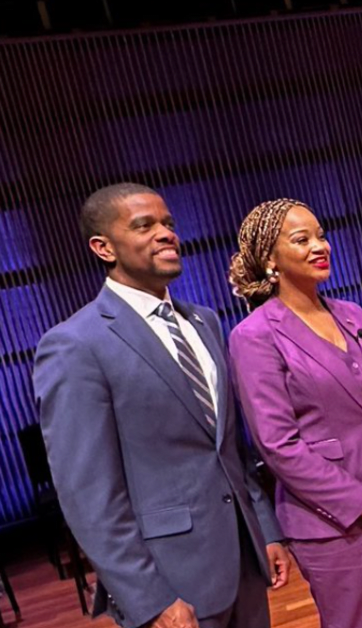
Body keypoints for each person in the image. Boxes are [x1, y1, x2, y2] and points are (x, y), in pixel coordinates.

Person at [32, 183, 290, 628]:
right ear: (103, 247)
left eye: (168, 223)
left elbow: (228, 448)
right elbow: (88, 496)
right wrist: (148, 599)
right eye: (144, 225)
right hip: (171, 580)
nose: (166, 233)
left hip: (244, 562)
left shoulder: (205, 321)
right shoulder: (75, 344)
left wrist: (264, 529)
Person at [226, 198, 362, 628]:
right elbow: (278, 445)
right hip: (333, 524)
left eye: (321, 235)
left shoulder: (353, 313)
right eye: (301, 240)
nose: (320, 246)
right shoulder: (255, 336)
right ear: (270, 259)